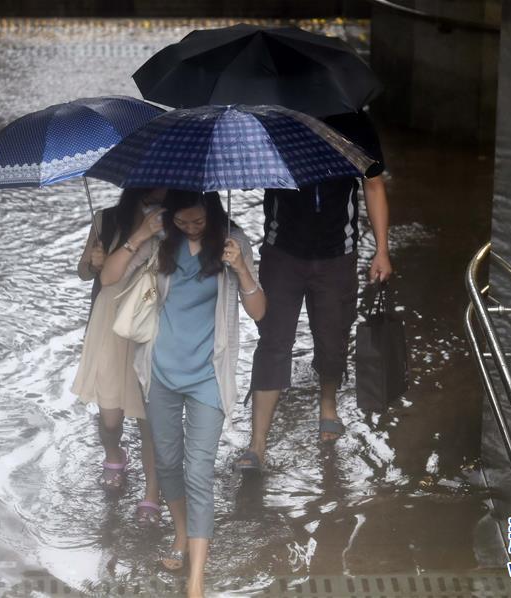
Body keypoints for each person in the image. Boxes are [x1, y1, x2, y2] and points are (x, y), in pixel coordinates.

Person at [100, 189, 265, 598]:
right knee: (169, 464)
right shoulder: (159, 240)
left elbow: (260, 311)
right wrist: (139, 234)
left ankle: (196, 579)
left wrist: (241, 268)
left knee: (199, 471)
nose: (190, 228)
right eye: (183, 222)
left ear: (212, 212)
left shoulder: (233, 241)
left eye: (198, 222)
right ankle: (180, 533)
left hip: (208, 376)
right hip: (160, 374)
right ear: (170, 216)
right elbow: (109, 278)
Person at [236, 110, 393, 472]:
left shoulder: (354, 124)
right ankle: (257, 444)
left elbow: (373, 183)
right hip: (282, 252)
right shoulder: (274, 120)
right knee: (273, 341)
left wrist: (382, 250)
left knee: (333, 337)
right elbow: (247, 174)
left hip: (338, 252)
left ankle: (328, 405)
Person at [71, 187, 166, 525]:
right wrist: (92, 262)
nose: (162, 188)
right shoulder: (108, 218)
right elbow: (84, 272)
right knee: (110, 416)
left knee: (150, 419)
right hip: (110, 322)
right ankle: (114, 454)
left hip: (155, 322)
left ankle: (152, 493)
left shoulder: (180, 219)